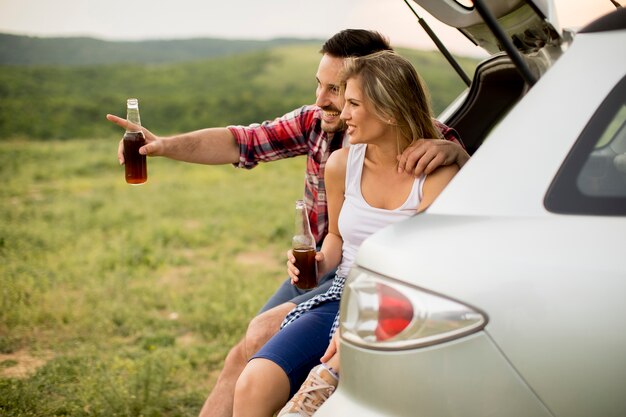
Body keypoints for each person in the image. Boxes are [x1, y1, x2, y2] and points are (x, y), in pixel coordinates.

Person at [106, 29, 469, 417]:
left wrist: (459, 156)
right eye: (322, 87)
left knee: (266, 338)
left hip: (387, 285)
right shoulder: (319, 127)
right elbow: (242, 141)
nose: (323, 102)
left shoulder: (434, 149)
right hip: (331, 266)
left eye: (337, 90)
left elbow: (474, 200)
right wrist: (162, 145)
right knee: (246, 349)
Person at [232, 49, 460, 417]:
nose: (344, 113)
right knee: (254, 382)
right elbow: (336, 238)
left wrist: (360, 327)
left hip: (400, 303)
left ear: (388, 110)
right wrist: (322, 263)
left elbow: (421, 266)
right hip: (341, 294)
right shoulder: (341, 164)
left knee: (314, 396)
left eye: (353, 103)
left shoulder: (437, 174)